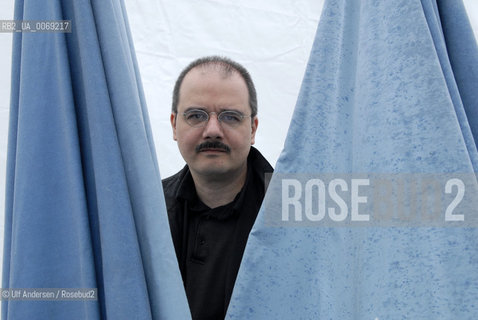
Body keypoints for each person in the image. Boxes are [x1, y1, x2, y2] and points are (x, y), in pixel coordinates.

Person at [162, 56, 273, 319]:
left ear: (253, 128)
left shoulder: (299, 209)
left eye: (231, 117)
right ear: (174, 125)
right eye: (196, 116)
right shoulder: (145, 213)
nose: (213, 130)